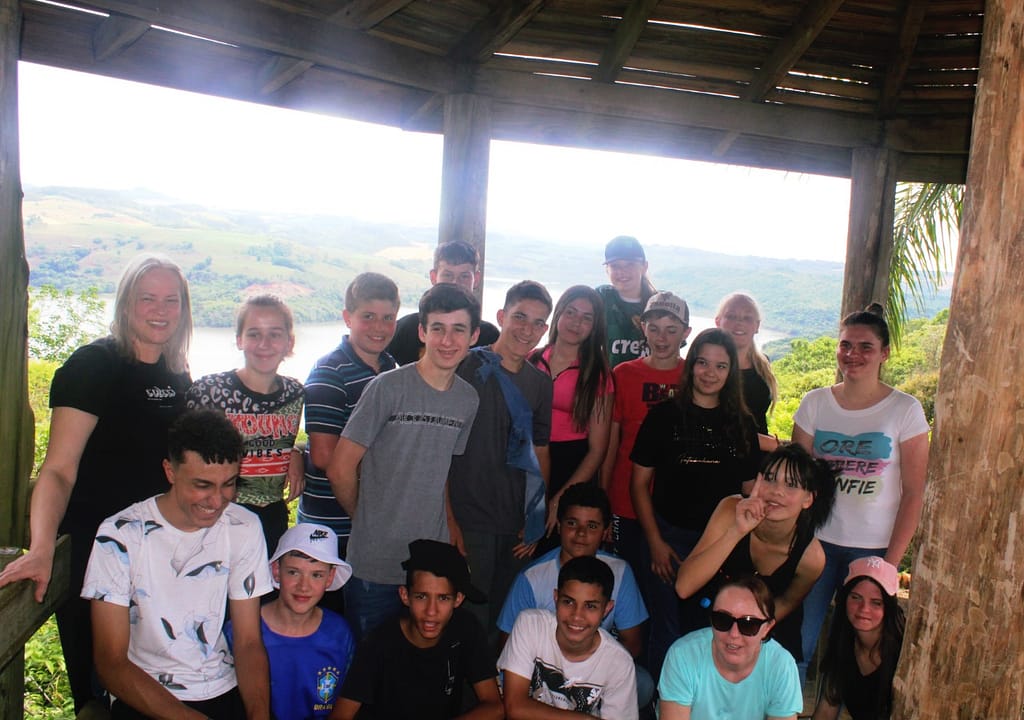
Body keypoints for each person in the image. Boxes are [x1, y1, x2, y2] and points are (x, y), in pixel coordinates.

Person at [0, 254, 193, 713]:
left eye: (171, 300)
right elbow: (58, 470)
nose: (160, 310)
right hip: (98, 556)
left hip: (160, 556)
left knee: (161, 682)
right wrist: (42, 547)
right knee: (103, 691)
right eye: (147, 298)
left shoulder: (177, 374)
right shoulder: (93, 366)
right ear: (126, 303)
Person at [81, 409, 273, 719]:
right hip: (142, 689)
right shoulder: (120, 534)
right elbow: (110, 663)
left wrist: (259, 714)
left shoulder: (244, 526)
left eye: (229, 484)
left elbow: (249, 642)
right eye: (202, 485)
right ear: (170, 472)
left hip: (220, 685)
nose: (217, 501)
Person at [327, 283, 481, 640]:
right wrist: (365, 517)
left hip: (430, 567)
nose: (447, 340)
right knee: (369, 663)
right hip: (375, 564)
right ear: (422, 331)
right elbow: (339, 468)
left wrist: (451, 524)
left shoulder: (467, 399)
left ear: (473, 336)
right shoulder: (387, 387)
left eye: (459, 329)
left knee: (421, 663)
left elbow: (442, 468)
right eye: (438, 328)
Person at [792, 304, 929, 679]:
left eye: (865, 346)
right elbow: (796, 481)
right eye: (846, 345)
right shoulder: (815, 403)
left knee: (862, 653)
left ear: (884, 353)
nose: (853, 354)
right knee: (798, 644)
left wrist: (889, 563)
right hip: (816, 543)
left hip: (874, 548)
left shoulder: (904, 409)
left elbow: (914, 492)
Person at [630, 327, 760, 679]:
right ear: (691, 366)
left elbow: (750, 489)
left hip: (720, 545)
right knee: (666, 630)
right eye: (703, 362)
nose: (710, 373)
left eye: (721, 366)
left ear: (731, 372)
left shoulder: (742, 424)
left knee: (712, 630)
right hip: (667, 539)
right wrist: (655, 542)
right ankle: (663, 700)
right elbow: (638, 484)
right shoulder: (664, 416)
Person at [447, 280, 554, 642]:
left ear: (545, 330)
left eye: (538, 323)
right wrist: (449, 519)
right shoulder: (465, 366)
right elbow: (440, 447)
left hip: (514, 521)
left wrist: (535, 515)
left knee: (504, 618)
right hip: (468, 515)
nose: (527, 330)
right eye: (519, 317)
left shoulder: (540, 384)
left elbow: (541, 451)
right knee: (468, 613)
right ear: (501, 316)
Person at [496, 483, 653, 709]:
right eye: (572, 523)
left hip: (595, 671)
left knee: (643, 684)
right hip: (541, 676)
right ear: (559, 526)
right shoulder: (532, 577)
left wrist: (588, 673)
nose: (581, 534)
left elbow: (633, 643)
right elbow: (507, 645)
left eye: (592, 526)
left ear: (605, 531)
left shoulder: (619, 572)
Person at [675, 443, 837, 660]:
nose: (777, 491)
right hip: (712, 625)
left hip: (768, 636)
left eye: (791, 484)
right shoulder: (730, 510)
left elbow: (787, 602)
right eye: (770, 478)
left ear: (808, 499)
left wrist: (747, 633)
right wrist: (737, 531)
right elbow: (683, 587)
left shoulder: (812, 558)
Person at [331, 539, 503, 720]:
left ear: (458, 599)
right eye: (421, 597)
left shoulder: (466, 628)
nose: (431, 611)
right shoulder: (378, 644)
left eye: (443, 598)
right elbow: (341, 715)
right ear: (405, 596)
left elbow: (495, 707)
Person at [298, 272, 399, 576]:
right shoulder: (330, 372)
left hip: (373, 522)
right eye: (368, 316)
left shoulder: (390, 368)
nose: (379, 327)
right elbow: (324, 456)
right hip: (331, 528)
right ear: (347, 318)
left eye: (388, 318)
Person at [187, 294, 304, 555]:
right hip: (219, 518)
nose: (264, 344)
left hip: (271, 518)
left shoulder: (294, 394)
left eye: (275, 334)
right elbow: (187, 462)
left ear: (289, 342)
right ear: (239, 340)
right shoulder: (209, 392)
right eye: (254, 334)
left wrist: (295, 451)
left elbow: (279, 439)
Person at [600, 291, 690, 587]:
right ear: (643, 328)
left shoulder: (694, 377)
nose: (662, 338)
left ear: (686, 333)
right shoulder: (624, 374)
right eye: (654, 328)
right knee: (622, 582)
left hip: (673, 506)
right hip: (624, 500)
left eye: (671, 330)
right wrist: (604, 500)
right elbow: (611, 442)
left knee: (664, 587)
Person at [226, 523, 356, 720]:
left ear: (330, 577)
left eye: (316, 575)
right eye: (293, 572)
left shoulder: (339, 634)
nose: (304, 586)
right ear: (276, 570)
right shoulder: (241, 629)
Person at [498, 555, 639, 719]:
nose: (577, 616)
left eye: (590, 606)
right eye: (568, 602)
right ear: (556, 598)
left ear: (607, 609)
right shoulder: (530, 625)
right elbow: (515, 707)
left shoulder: (619, 662)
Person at [528, 285, 613, 554]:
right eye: (571, 312)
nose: (576, 322)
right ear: (558, 315)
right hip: (528, 461)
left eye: (587, 317)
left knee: (555, 549)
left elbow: (597, 450)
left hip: (572, 467)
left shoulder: (598, 374)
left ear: (595, 327)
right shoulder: (532, 358)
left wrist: (560, 499)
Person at [658, 576, 803, 720]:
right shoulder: (683, 655)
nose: (733, 634)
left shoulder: (781, 665)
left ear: (767, 628)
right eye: (722, 620)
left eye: (748, 624)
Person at [813, 557, 905, 720]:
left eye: (876, 602)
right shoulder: (843, 644)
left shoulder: (902, 653)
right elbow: (826, 711)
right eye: (856, 597)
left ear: (889, 606)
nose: (864, 609)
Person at [386, 240, 499, 365]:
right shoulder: (406, 329)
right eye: (448, 275)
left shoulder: (488, 336)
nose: (455, 283)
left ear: (476, 279)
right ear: (433, 277)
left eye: (464, 276)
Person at [715, 292, 778, 436]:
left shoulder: (762, 364)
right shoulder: (708, 367)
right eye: (731, 316)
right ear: (718, 322)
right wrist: (768, 443)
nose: (739, 323)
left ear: (757, 326)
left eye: (747, 318)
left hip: (759, 450)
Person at [596, 235, 657, 368]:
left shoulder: (661, 304)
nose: (622, 272)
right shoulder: (600, 299)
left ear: (644, 266)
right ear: (607, 270)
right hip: (607, 380)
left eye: (630, 264)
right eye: (615, 266)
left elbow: (673, 355)